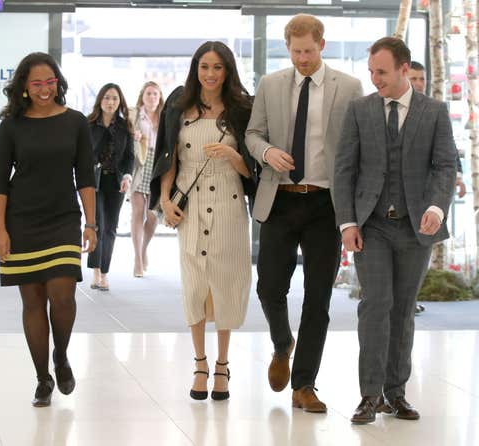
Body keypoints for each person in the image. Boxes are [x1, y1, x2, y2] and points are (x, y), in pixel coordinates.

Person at [334, 37, 456, 424]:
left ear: (405, 69)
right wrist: (348, 222)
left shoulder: (435, 111)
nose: (374, 79)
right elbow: (344, 170)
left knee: (403, 310)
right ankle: (369, 396)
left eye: (381, 72)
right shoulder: (360, 110)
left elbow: (444, 166)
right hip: (372, 227)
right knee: (375, 306)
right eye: (371, 71)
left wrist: (436, 208)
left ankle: (396, 393)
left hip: (416, 228)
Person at [245, 14, 363, 413]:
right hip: (280, 197)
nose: (302, 59)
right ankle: (282, 343)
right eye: (295, 52)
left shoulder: (348, 88)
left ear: (322, 45)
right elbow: (252, 134)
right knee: (269, 287)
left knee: (318, 298)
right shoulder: (271, 84)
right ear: (287, 48)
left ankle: (305, 385)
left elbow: (355, 146)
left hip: (326, 204)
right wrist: (266, 152)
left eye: (309, 51)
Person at [150, 41, 258, 401]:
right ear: (196, 69)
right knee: (194, 283)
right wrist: (165, 200)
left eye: (218, 67)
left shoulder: (243, 108)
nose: (210, 74)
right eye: (204, 67)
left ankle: (223, 365)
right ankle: (199, 363)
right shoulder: (179, 105)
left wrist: (232, 154)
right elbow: (170, 157)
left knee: (227, 281)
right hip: (191, 204)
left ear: (228, 71)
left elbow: (251, 171)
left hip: (228, 202)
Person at [0, 52, 97, 407]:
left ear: (58, 82)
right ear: (23, 87)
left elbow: (85, 176)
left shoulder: (76, 122)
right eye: (36, 83)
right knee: (33, 303)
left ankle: (61, 355)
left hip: (64, 219)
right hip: (22, 222)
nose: (44, 89)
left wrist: (92, 223)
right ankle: (42, 379)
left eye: (49, 82)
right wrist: (0, 230)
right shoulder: (10, 127)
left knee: (63, 295)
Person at [408, 61, 466, 315]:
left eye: (422, 78)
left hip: (428, 199)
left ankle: (408, 300)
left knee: (419, 252)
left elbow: (449, 151)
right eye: (414, 78)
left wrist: (459, 175)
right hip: (394, 202)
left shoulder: (434, 111)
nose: (419, 83)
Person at [86, 83, 135, 291]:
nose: (110, 102)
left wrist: (127, 176)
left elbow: (129, 156)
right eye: (106, 98)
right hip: (94, 182)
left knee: (110, 228)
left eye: (114, 98)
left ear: (119, 102)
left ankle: (105, 272)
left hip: (116, 182)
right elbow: (84, 154)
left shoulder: (125, 127)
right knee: (96, 225)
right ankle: (95, 271)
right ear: (100, 100)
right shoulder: (89, 125)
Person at [129, 81, 164, 278]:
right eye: (149, 94)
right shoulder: (134, 115)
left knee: (152, 216)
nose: (152, 97)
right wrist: (133, 135)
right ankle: (137, 259)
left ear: (159, 97)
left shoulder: (165, 116)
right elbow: (125, 136)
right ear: (143, 96)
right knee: (137, 213)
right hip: (139, 164)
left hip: (157, 166)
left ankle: (143, 249)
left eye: (155, 94)